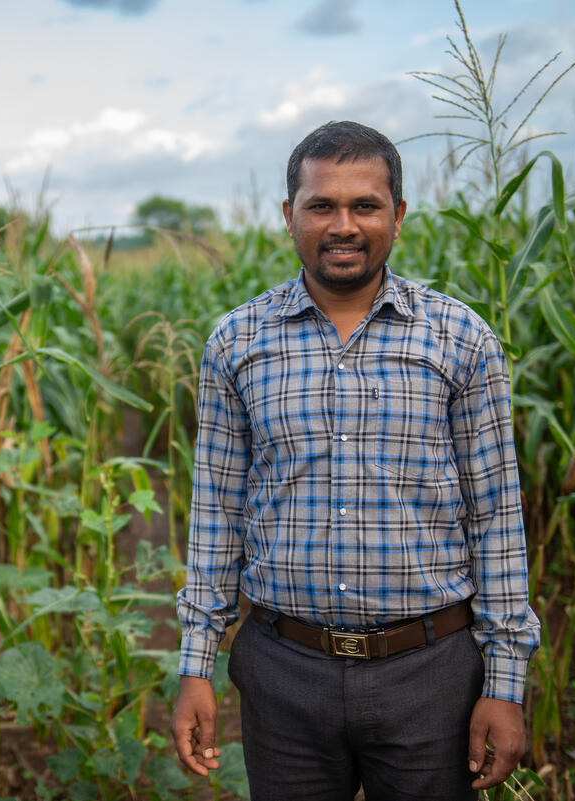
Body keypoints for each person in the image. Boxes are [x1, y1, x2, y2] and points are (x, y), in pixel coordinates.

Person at [171, 120, 541, 800]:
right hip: (284, 669)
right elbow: (216, 514)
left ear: (397, 215)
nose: (343, 224)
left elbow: (496, 517)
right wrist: (196, 664)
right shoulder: (236, 342)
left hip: (429, 672)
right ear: (289, 216)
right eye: (322, 205)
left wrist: (505, 683)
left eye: (364, 205)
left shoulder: (462, 339)